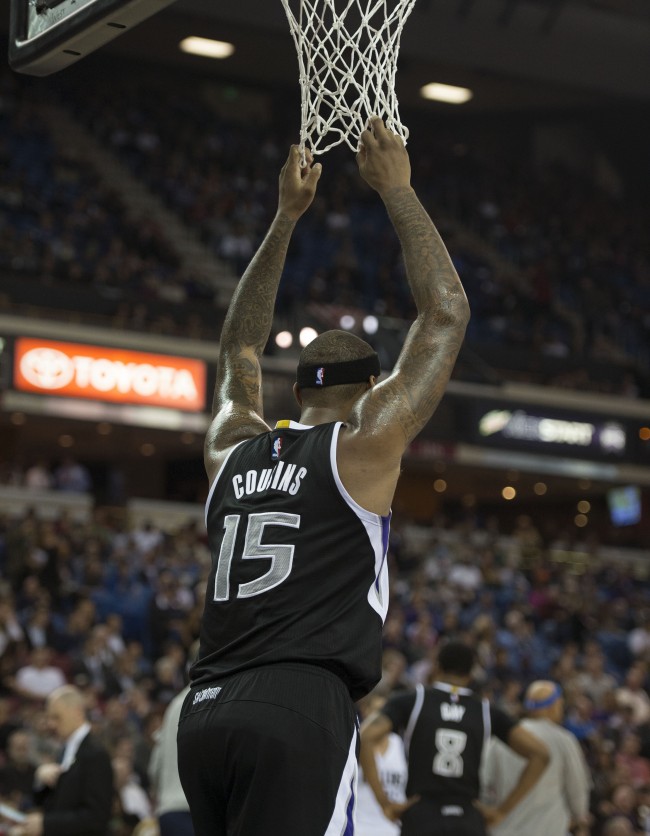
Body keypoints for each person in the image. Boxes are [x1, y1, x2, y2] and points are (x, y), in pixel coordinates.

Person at [177, 117, 471, 836]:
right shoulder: (365, 443)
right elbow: (445, 314)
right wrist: (398, 191)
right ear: (372, 388)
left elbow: (239, 346)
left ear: (296, 392)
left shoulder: (231, 446)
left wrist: (285, 217)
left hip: (204, 711)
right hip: (299, 703)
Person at [359, 640, 550, 835]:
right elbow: (541, 754)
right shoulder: (485, 711)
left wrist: (384, 803)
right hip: (467, 818)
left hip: (422, 816)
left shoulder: (414, 700)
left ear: (437, 667)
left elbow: (365, 737)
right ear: (471, 673)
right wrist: (502, 811)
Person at [481, 680, 591, 836]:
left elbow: (484, 786)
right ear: (554, 706)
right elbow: (577, 791)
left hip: (504, 829)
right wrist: (579, 816)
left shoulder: (503, 738)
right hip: (548, 830)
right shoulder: (564, 740)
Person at [11, 685, 113, 836]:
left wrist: (45, 824)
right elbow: (56, 803)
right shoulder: (64, 751)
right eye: (49, 717)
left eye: (56, 717)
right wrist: (41, 780)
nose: (50, 724)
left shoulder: (96, 753)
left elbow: (97, 817)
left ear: (77, 712)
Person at [355, 693, 408, 836]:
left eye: (384, 712)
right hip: (359, 827)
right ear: (365, 711)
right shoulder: (355, 743)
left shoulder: (400, 744)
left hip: (393, 828)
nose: (380, 718)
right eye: (376, 711)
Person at [149, 684, 194, 836]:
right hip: (197, 813)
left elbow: (155, 767)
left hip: (169, 811)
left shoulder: (174, 705)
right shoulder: (215, 699)